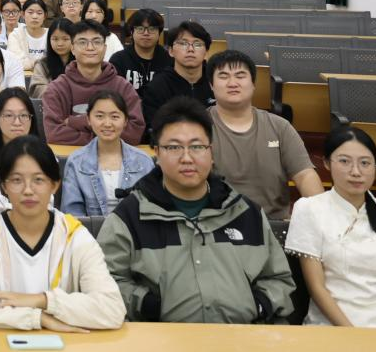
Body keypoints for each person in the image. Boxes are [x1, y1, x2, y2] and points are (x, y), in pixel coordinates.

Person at [96, 97, 295, 324]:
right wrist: (148, 305)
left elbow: (278, 278)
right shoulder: (130, 216)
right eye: (174, 147)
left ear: (211, 152)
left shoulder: (245, 212)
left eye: (197, 146)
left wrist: (259, 305)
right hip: (161, 338)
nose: (187, 157)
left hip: (242, 336)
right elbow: (105, 281)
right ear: (157, 153)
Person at [0, 136, 126, 332]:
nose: (28, 190)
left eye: (38, 180)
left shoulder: (74, 234)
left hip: (67, 343)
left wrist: (43, 301)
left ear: (54, 185)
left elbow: (113, 309)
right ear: (3, 186)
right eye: (17, 180)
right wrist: (37, 318)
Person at [284, 126, 376, 328]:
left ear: (375, 166)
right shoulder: (309, 209)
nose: (356, 172)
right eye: (344, 161)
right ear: (326, 163)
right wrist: (354, 336)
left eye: (365, 163)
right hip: (330, 330)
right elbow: (317, 288)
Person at [207, 50, 321, 219]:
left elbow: (305, 175)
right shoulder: (198, 127)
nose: (232, 83)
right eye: (223, 76)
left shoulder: (280, 126)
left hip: (272, 222)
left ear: (253, 83)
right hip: (216, 222)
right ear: (211, 85)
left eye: (240, 76)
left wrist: (321, 217)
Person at [41, 20, 145, 146]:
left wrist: (76, 122)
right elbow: (54, 133)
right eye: (82, 42)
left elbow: (134, 133)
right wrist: (107, 134)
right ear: (72, 48)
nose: (90, 48)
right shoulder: (57, 88)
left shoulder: (122, 86)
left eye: (96, 42)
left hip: (115, 156)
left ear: (105, 48)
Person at [61, 91, 156, 217]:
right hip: (89, 230)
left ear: (125, 120)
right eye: (99, 116)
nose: (107, 123)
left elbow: (152, 210)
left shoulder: (143, 161)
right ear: (88, 119)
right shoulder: (76, 162)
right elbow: (72, 215)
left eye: (115, 117)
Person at [141, 21, 216, 131]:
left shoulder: (216, 82)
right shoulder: (157, 87)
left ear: (206, 52)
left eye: (197, 44)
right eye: (183, 43)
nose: (190, 49)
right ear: (171, 51)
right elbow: (153, 130)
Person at [109, 9, 172, 95]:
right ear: (132, 32)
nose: (146, 33)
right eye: (140, 28)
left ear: (159, 33)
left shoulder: (169, 60)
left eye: (152, 29)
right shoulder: (118, 60)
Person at [28, 18, 75, 99]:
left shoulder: (81, 62)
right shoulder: (42, 64)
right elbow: (37, 89)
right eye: (55, 39)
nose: (60, 43)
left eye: (65, 39)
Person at [9, 0, 48, 71]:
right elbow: (15, 62)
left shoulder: (51, 34)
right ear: (23, 14)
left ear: (45, 16)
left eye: (39, 13)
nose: (35, 16)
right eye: (30, 12)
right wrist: (40, 64)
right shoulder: (15, 35)